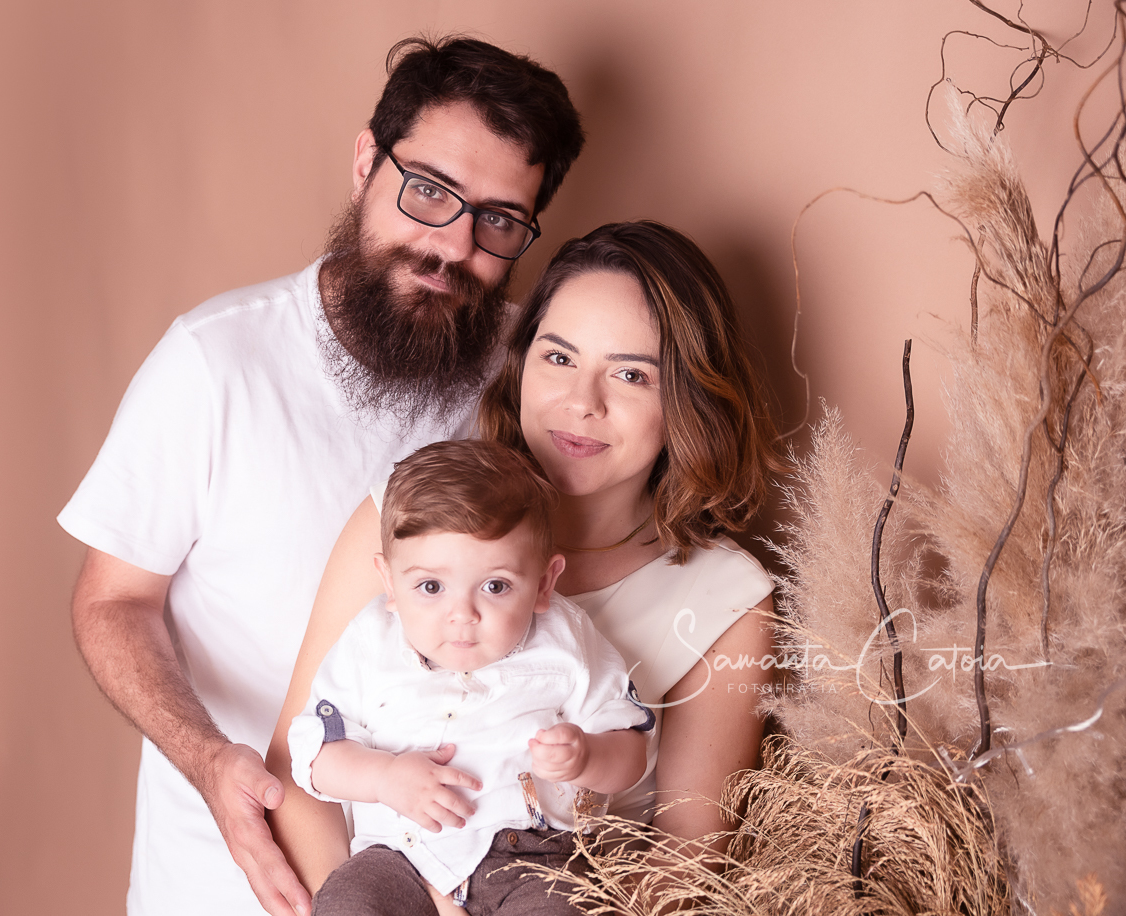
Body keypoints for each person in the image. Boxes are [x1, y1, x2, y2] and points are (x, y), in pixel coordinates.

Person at [57, 36, 584, 916]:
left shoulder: (532, 374)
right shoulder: (216, 361)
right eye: (428, 191)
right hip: (221, 881)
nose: (452, 245)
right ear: (366, 162)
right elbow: (112, 601)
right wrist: (206, 758)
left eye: (498, 220)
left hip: (449, 882)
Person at [267, 220, 781, 900]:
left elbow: (684, 864)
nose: (581, 403)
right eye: (559, 358)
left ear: (687, 396)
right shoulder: (408, 513)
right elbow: (299, 774)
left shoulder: (726, 598)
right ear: (521, 363)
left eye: (630, 374)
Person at [289, 439, 651, 915]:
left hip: (534, 859)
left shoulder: (566, 640)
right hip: (397, 856)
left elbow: (631, 752)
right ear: (390, 581)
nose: (462, 614)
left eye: (495, 586)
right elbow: (315, 754)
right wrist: (383, 777)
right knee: (348, 903)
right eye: (431, 586)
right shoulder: (369, 642)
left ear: (544, 582)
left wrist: (587, 756)